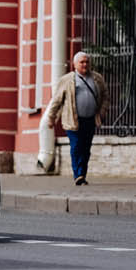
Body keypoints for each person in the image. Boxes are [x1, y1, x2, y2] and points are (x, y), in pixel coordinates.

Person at [44, 51, 108, 186]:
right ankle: (78, 174)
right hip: (72, 120)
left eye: (87, 62)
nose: (85, 64)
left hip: (90, 119)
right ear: (75, 65)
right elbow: (56, 100)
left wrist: (102, 111)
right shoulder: (67, 80)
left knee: (86, 148)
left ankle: (82, 173)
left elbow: (104, 97)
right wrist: (51, 118)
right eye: (82, 62)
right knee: (76, 146)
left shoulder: (97, 78)